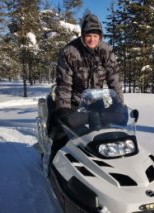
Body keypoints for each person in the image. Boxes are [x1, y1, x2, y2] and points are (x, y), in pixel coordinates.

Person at [48, 14, 124, 168]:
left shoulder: (106, 51)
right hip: (74, 101)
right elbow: (64, 84)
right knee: (62, 134)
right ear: (83, 35)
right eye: (89, 35)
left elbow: (114, 80)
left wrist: (119, 104)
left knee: (107, 134)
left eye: (95, 36)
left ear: (100, 36)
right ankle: (53, 167)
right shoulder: (70, 52)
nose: (92, 40)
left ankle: (108, 167)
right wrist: (63, 109)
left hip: (96, 100)